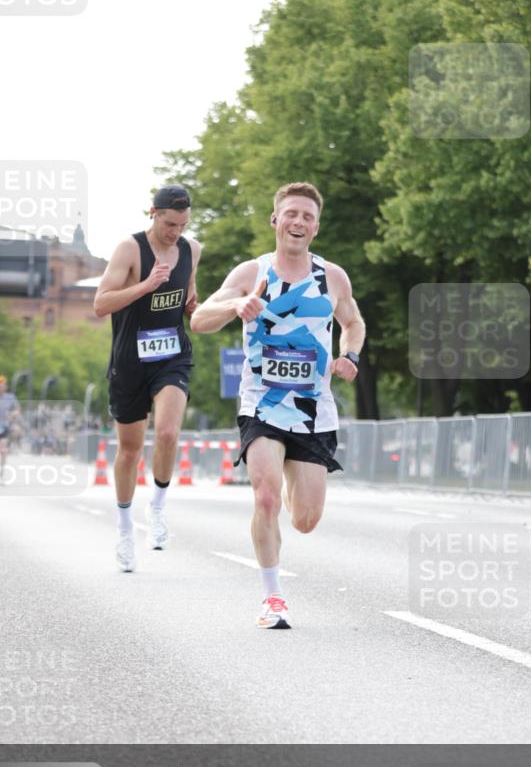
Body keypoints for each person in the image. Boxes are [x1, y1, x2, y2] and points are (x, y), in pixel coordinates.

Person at [191, 181, 365, 628]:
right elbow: (198, 319)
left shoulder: (332, 277)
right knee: (265, 498)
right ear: (275, 220)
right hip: (262, 402)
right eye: (291, 213)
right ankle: (273, 601)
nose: (298, 222)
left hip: (313, 407)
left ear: (316, 227)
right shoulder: (252, 273)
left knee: (305, 519)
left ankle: (290, 481)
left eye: (307, 216)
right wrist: (237, 305)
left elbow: (353, 321)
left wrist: (350, 355)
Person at [94, 185, 202, 572]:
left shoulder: (192, 250)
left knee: (170, 432)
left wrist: (194, 308)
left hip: (171, 355)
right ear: (153, 213)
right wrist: (146, 285)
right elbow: (100, 304)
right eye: (170, 223)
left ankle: (157, 506)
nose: (175, 232)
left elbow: (189, 298)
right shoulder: (130, 249)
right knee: (129, 450)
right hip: (129, 361)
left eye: (182, 225)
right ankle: (125, 529)